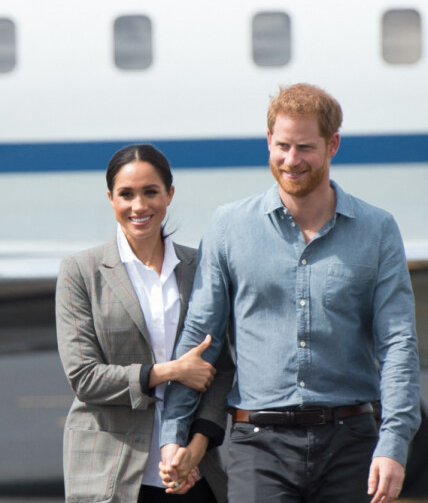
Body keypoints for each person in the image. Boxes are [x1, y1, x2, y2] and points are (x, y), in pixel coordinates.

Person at [159, 84, 421, 503]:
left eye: (305, 147)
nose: (291, 160)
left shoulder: (377, 229)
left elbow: (398, 344)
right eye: (282, 145)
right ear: (268, 141)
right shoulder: (229, 227)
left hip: (351, 444)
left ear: (332, 144)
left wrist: (394, 443)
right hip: (258, 445)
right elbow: (199, 342)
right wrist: (173, 433)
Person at [55, 144, 234, 503]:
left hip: (191, 473)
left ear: (169, 194)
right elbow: (84, 378)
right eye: (126, 194)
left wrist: (196, 448)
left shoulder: (201, 267)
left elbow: (222, 368)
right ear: (110, 198)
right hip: (110, 475)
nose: (139, 206)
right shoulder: (80, 271)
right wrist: (170, 372)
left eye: (151, 192)